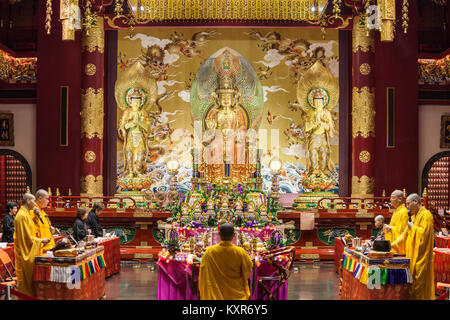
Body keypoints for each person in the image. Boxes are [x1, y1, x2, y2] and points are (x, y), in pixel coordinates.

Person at [391, 193, 435, 300]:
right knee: (411, 283)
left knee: (419, 282)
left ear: (416, 201)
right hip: (412, 255)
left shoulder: (426, 215)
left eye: (408, 203)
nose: (407, 207)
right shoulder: (414, 216)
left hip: (421, 256)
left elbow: (424, 234)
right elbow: (404, 235)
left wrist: (413, 227)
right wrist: (390, 245)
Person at [199, 223, 253, 300]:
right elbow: (248, 270)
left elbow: (203, 273)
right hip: (236, 295)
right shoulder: (240, 252)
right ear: (234, 235)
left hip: (214, 295)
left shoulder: (210, 251)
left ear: (219, 234)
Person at [14, 193, 50, 296]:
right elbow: (26, 238)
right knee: (25, 283)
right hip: (25, 253)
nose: (35, 204)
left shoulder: (27, 214)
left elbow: (32, 230)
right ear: (28, 201)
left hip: (30, 250)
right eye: (33, 201)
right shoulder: (21, 216)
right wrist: (41, 241)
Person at [383, 190, 409, 255]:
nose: (391, 199)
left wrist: (390, 228)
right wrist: (388, 227)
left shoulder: (404, 212)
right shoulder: (396, 211)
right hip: (393, 246)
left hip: (400, 248)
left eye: (393, 197)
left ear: (400, 199)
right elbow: (393, 225)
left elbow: (403, 231)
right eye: (391, 197)